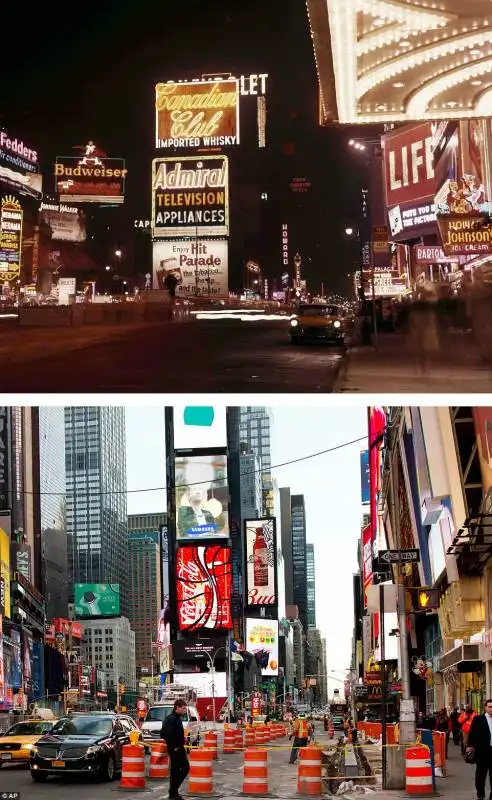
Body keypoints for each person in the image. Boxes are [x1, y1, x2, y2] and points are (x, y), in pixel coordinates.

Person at [161, 699, 190, 800]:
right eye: (183, 708)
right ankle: (173, 792)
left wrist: (182, 738)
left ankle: (173, 793)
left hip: (179, 748)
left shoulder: (176, 718)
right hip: (175, 749)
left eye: (185, 708)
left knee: (179, 770)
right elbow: (164, 734)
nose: (184, 710)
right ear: (177, 707)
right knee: (181, 769)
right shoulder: (172, 719)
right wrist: (173, 745)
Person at [467, 699, 492, 800]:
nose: (491, 709)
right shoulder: (478, 719)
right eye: (490, 707)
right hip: (482, 752)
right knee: (481, 775)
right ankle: (480, 795)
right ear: (485, 708)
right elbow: (472, 733)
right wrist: (470, 746)